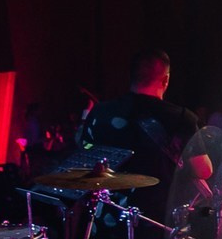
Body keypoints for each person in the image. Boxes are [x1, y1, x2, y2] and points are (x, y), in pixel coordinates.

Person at [76, 48, 194, 192]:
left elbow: (83, 148)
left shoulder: (101, 111)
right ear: (166, 79)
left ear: (131, 76)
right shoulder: (182, 117)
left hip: (108, 208)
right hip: (158, 211)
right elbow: (203, 170)